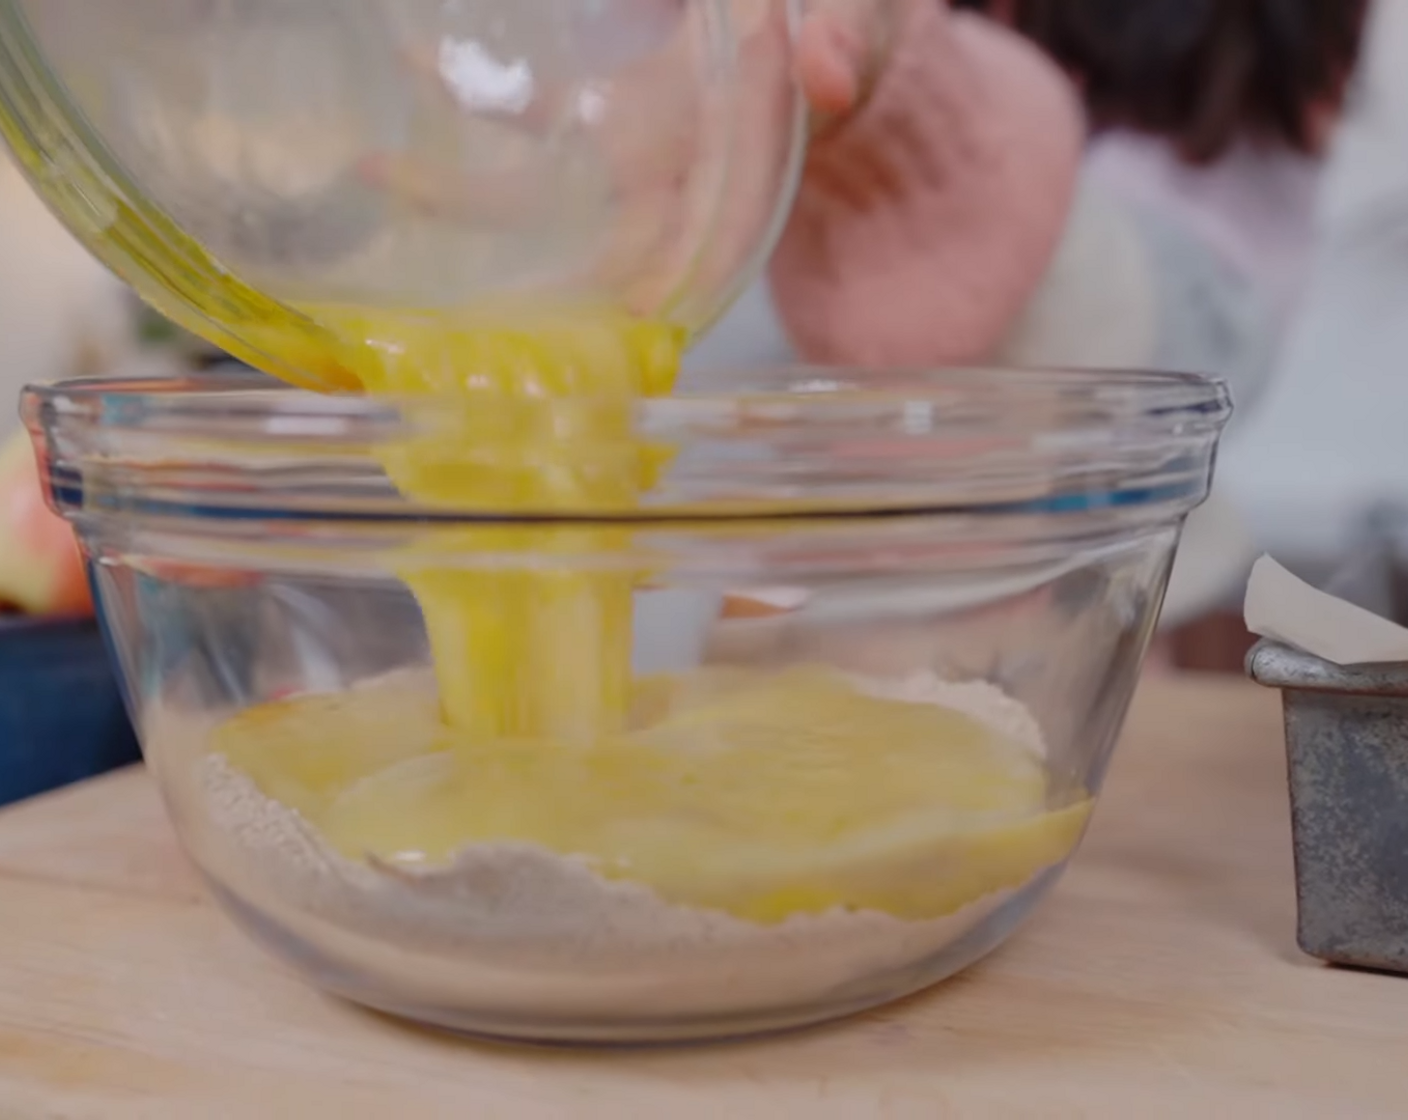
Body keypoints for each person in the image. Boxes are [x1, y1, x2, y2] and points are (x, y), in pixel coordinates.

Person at [690, 0, 1370, 635]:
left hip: (1068, 643)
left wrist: (917, 123)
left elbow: (1200, 345)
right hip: (769, 630)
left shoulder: (1217, 96)